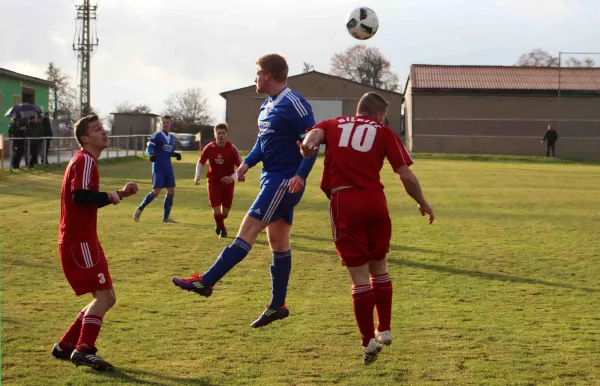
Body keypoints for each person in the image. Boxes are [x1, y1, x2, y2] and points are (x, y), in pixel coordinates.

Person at [172, 53, 319, 328]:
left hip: (284, 181)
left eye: (257, 73)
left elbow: (312, 144)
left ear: (267, 75)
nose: (254, 79)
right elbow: (262, 145)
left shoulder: (295, 104)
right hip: (270, 179)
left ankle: (207, 281)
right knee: (278, 242)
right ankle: (278, 305)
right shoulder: (266, 106)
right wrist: (245, 165)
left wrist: (300, 175)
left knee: (247, 229)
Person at [298, 92, 435, 365]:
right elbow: (405, 174)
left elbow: (312, 137)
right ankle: (383, 328)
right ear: (379, 114)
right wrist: (422, 202)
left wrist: (306, 147)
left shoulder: (332, 124)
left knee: (360, 278)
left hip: (345, 201)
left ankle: (367, 341)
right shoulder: (383, 131)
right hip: (375, 202)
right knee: (380, 268)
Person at [51, 115, 138, 371]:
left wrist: (118, 194)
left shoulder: (84, 161)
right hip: (80, 242)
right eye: (97, 129)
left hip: (81, 240)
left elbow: (84, 196)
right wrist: (111, 196)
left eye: (103, 127)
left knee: (106, 296)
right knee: (104, 296)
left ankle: (66, 345)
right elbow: (80, 197)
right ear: (85, 139)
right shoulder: (85, 159)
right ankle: (83, 349)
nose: (104, 131)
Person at [194, 123, 243, 238]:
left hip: (228, 184)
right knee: (216, 210)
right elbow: (201, 162)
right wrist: (197, 176)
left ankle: (219, 222)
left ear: (227, 135)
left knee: (224, 213)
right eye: (218, 133)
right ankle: (223, 231)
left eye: (223, 133)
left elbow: (241, 167)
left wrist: (232, 178)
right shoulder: (209, 147)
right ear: (215, 134)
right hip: (213, 182)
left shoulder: (232, 148)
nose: (221, 135)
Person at [133, 115, 182, 223]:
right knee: (156, 192)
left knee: (171, 190)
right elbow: (149, 147)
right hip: (158, 168)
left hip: (168, 168)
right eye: (163, 122)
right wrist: (151, 154)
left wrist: (175, 154)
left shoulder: (171, 137)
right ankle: (139, 209)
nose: (165, 124)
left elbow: (168, 152)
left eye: (167, 122)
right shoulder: (157, 135)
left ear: (171, 124)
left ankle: (166, 217)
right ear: (161, 124)